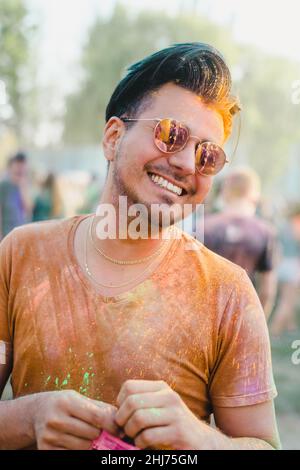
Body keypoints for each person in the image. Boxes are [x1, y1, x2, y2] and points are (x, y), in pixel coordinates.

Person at [0, 43, 280, 450]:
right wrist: (29, 418)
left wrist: (199, 438)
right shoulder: (21, 255)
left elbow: (265, 445)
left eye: (208, 155)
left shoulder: (228, 293)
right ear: (114, 137)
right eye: (171, 134)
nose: (187, 163)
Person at [203, 168, 278, 319]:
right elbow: (267, 291)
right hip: (242, 318)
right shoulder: (265, 232)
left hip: (206, 316)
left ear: (225, 192)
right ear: (255, 194)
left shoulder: (202, 227)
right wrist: (257, 325)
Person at [270, 203, 300, 336]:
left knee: (286, 300)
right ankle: (273, 334)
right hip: (291, 265)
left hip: (281, 265)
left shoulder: (284, 224)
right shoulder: (296, 223)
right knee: (287, 302)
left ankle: (289, 328)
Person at [0, 152, 32, 240]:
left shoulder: (25, 184)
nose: (21, 169)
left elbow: (28, 210)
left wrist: (23, 188)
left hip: (21, 234)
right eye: (18, 165)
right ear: (12, 166)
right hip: (6, 234)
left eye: (23, 166)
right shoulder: (3, 185)